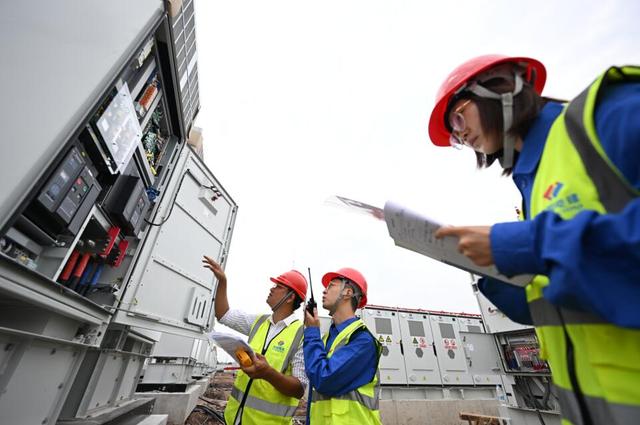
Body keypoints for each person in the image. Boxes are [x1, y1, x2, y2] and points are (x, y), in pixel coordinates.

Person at [427, 55, 640, 424]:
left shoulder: (611, 113)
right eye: (454, 135)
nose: (461, 136)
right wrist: (489, 271)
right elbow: (563, 298)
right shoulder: (533, 188)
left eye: (458, 119)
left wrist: (520, 244)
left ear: (499, 87)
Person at [203, 256, 308, 425]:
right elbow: (223, 314)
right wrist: (222, 281)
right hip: (233, 419)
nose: (272, 289)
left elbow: (299, 389)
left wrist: (268, 373)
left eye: (278, 286)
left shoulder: (302, 335)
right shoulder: (258, 322)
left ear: (290, 297)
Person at [303, 267, 382, 424]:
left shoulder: (362, 341)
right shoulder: (325, 339)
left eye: (331, 285)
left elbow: (324, 380)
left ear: (348, 292)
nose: (324, 291)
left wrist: (311, 332)